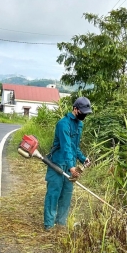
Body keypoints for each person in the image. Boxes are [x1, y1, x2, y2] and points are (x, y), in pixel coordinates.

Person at [44, 97, 93, 231]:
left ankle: (61, 224)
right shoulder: (63, 124)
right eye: (82, 112)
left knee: (66, 194)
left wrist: (83, 158)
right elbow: (65, 146)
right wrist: (72, 166)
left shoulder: (80, 124)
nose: (84, 115)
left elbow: (74, 146)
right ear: (75, 109)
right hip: (58, 163)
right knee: (54, 194)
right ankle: (49, 225)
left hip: (69, 164)